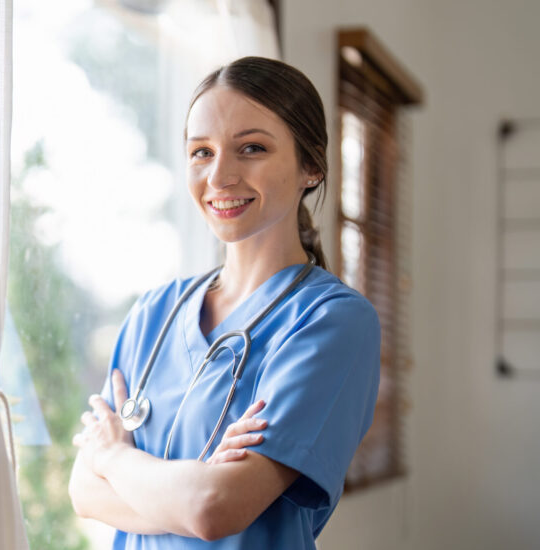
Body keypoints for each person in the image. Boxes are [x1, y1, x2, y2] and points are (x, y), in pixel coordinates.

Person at [67, 56, 381, 549]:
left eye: (251, 148)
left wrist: (113, 459)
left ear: (312, 166)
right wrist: (191, 487)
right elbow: (83, 493)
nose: (219, 177)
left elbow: (214, 509)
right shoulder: (155, 313)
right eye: (201, 152)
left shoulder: (331, 322)